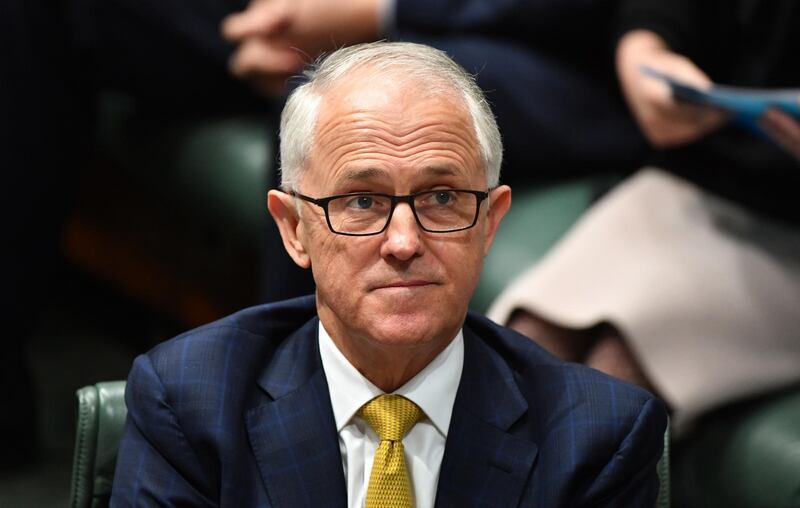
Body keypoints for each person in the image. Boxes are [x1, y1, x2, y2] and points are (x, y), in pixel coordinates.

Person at [110, 42, 667, 507]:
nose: (403, 242)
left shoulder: (596, 438)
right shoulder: (190, 403)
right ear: (294, 228)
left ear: (490, 223)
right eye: (362, 201)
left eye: (443, 197)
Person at [488, 0, 800, 434]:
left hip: (787, 237)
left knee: (612, 388)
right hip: (696, 185)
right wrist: (645, 50)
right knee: (525, 349)